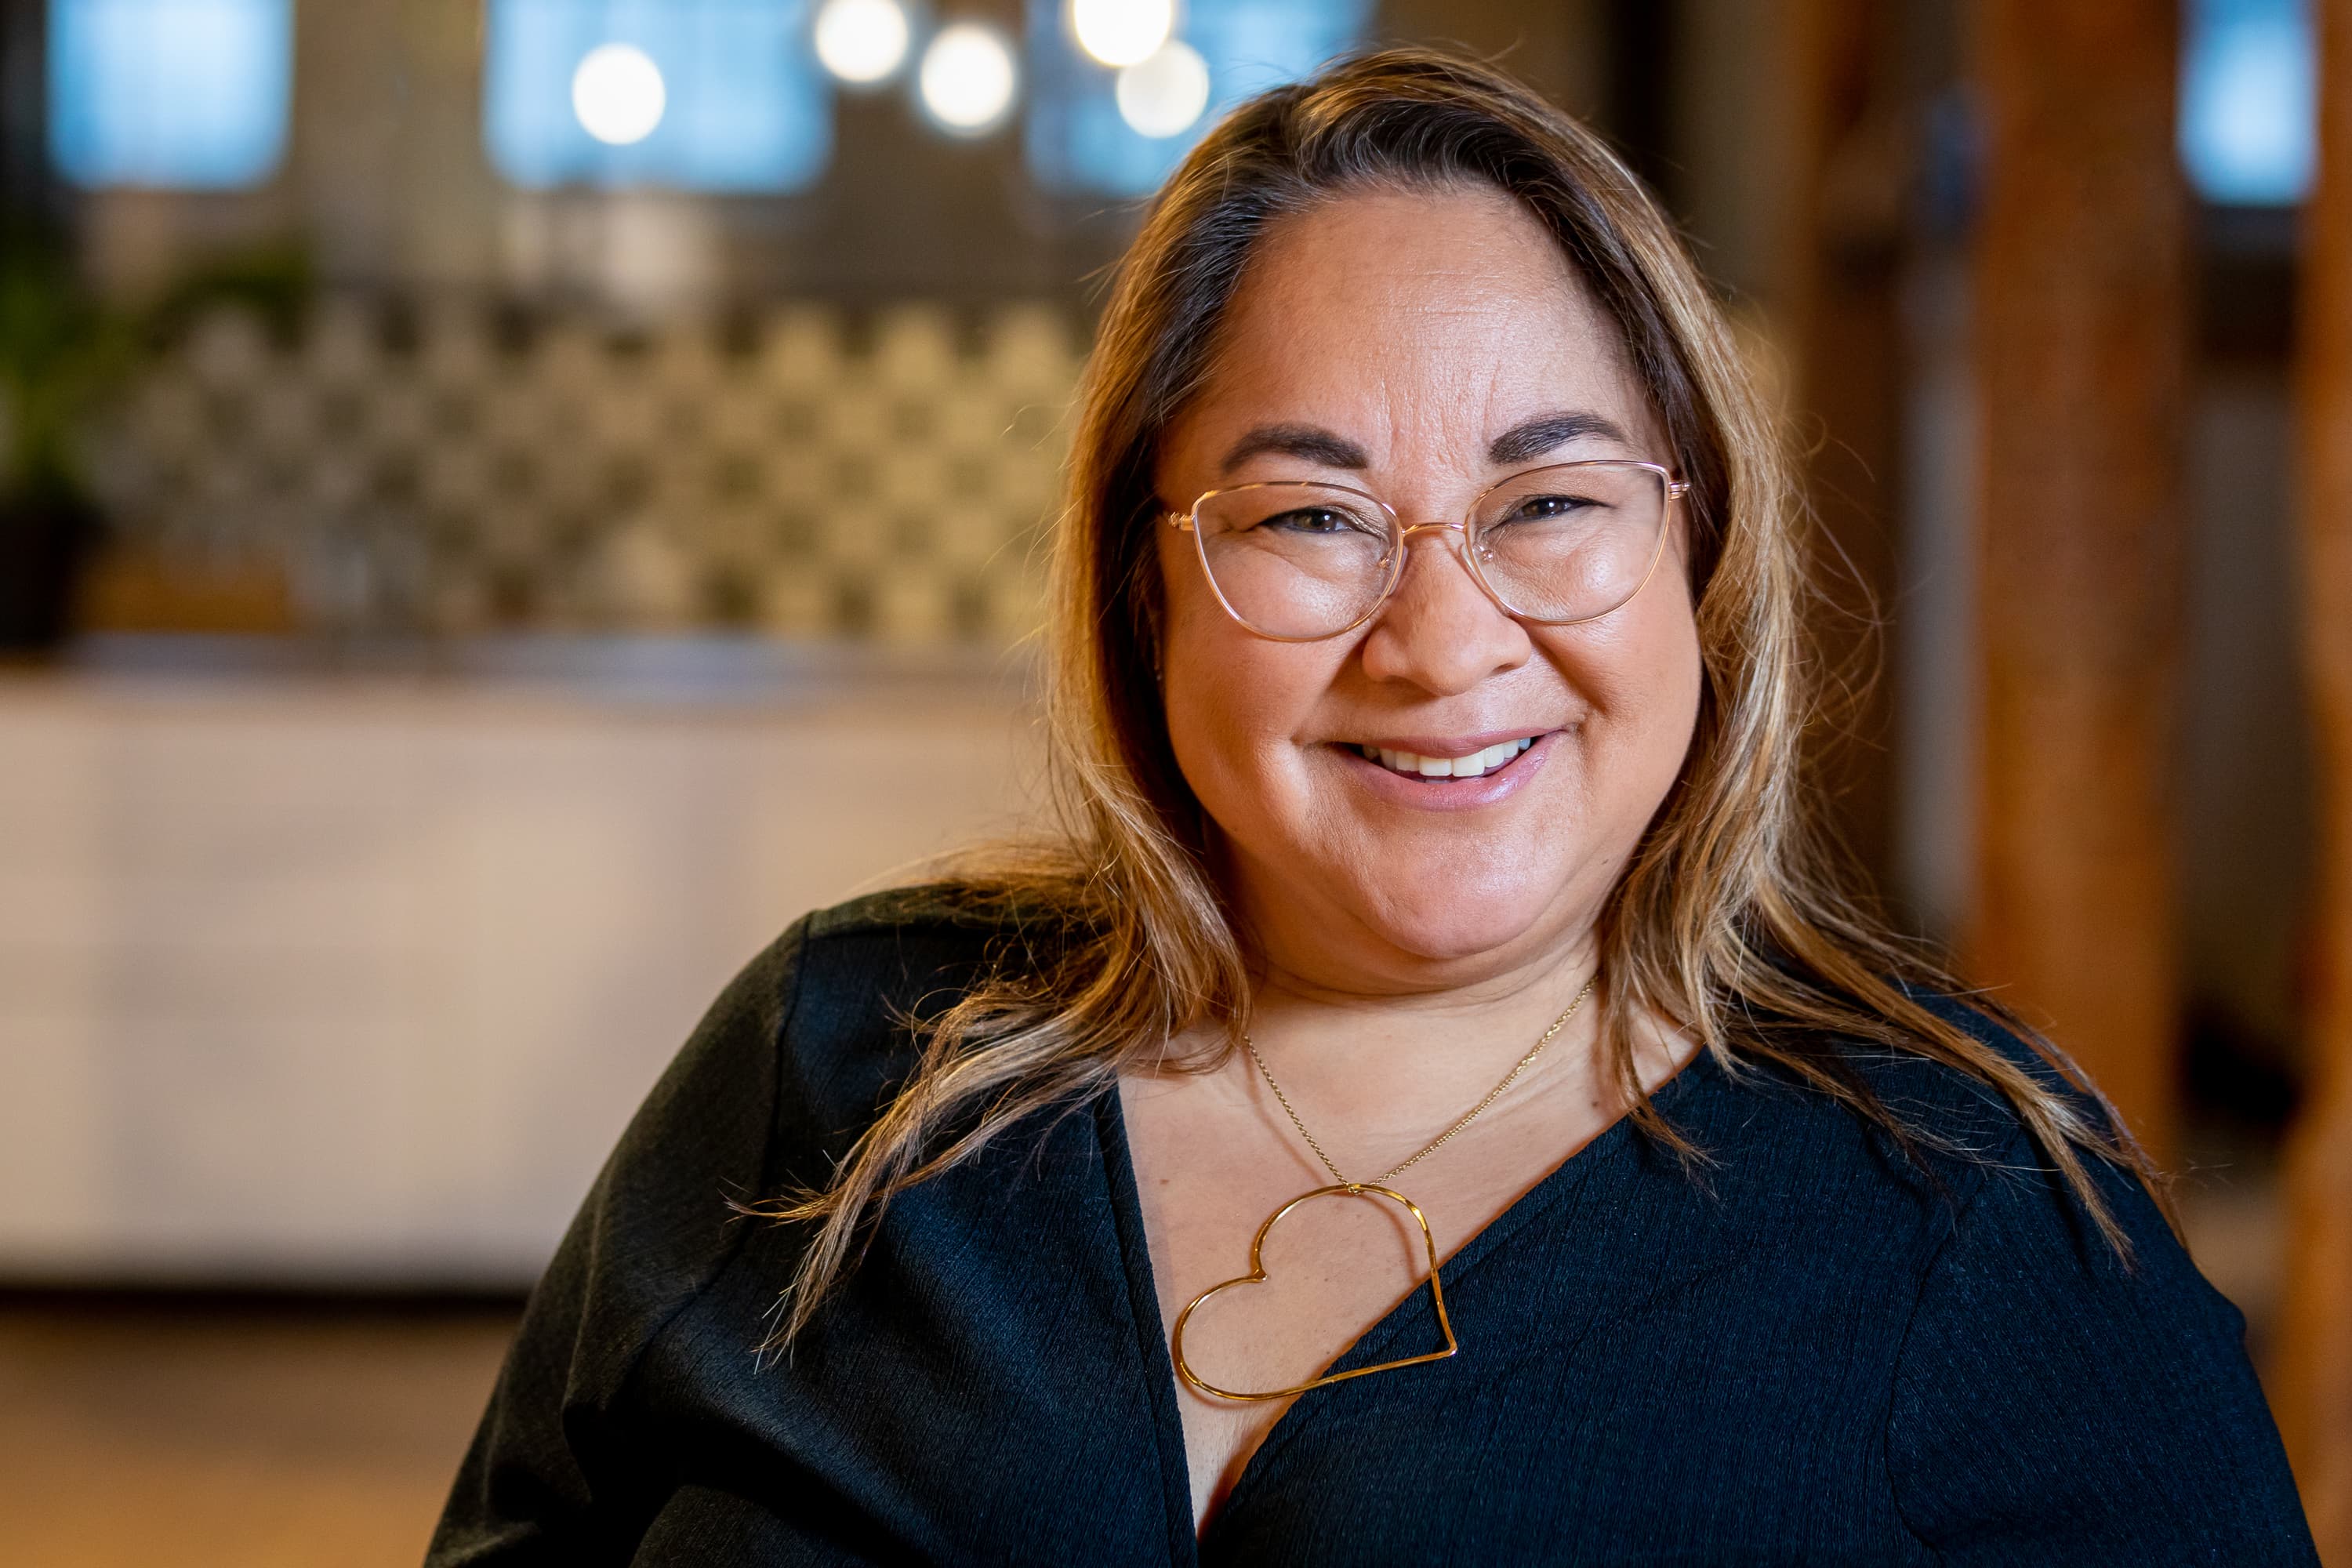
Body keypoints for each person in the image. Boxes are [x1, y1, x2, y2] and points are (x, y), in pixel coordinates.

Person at [427, 48, 2318, 1566]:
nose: (1441, 640)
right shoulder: (838, 1059)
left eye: (1551, 500)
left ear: (1699, 556)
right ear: (1144, 586)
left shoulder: (1979, 1205)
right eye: (1313, 517)